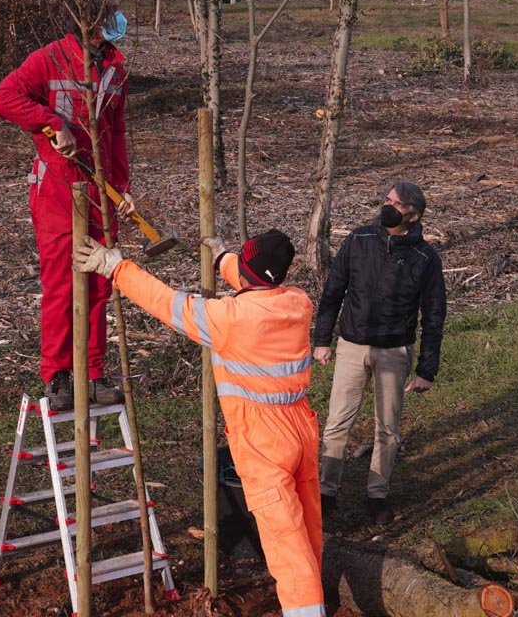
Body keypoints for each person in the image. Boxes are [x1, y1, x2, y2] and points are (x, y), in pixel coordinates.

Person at [74, 230, 326, 617]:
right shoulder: (297, 302)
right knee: (307, 529)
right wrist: (221, 255)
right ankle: (315, 599)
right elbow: (253, 279)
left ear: (247, 271)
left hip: (263, 438)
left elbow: (167, 303)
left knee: (285, 543)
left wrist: (116, 267)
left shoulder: (229, 318)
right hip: (301, 426)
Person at [0, 0, 133, 411]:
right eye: (112, 9)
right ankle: (57, 375)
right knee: (61, 283)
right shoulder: (49, 59)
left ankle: (92, 372)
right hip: (56, 186)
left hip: (98, 188)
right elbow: (3, 99)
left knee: (99, 281)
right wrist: (52, 122)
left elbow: (116, 132)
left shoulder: (116, 68)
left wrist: (123, 188)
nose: (119, 16)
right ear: (90, 17)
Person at [313, 181, 446, 526]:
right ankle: (326, 492)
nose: (387, 206)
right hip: (352, 345)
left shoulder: (425, 258)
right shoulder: (358, 240)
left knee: (387, 429)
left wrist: (426, 370)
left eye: (396, 204)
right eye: (386, 199)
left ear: (413, 215)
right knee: (337, 421)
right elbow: (333, 291)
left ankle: (377, 495)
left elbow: (434, 315)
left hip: (394, 352)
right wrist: (322, 339)